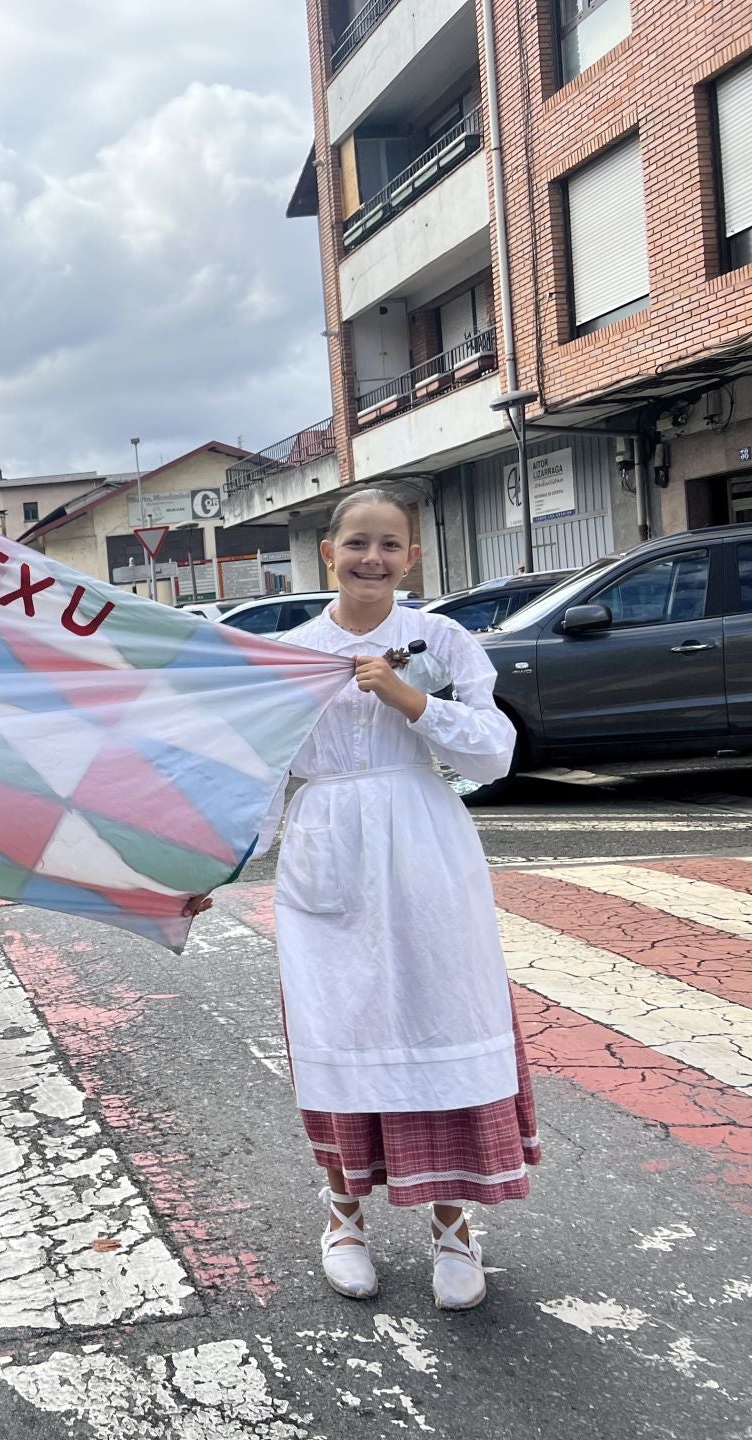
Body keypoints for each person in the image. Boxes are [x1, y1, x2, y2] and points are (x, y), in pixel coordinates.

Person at [269, 488, 537, 1312]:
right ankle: (343, 1218)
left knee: (440, 1013)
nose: (371, 559)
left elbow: (495, 754)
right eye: (357, 543)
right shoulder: (291, 652)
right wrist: (204, 868)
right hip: (325, 847)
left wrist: (409, 698)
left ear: (410, 558)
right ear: (327, 550)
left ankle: (454, 1229)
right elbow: (262, 771)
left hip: (425, 847)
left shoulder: (446, 640)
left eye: (389, 545)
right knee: (341, 1026)